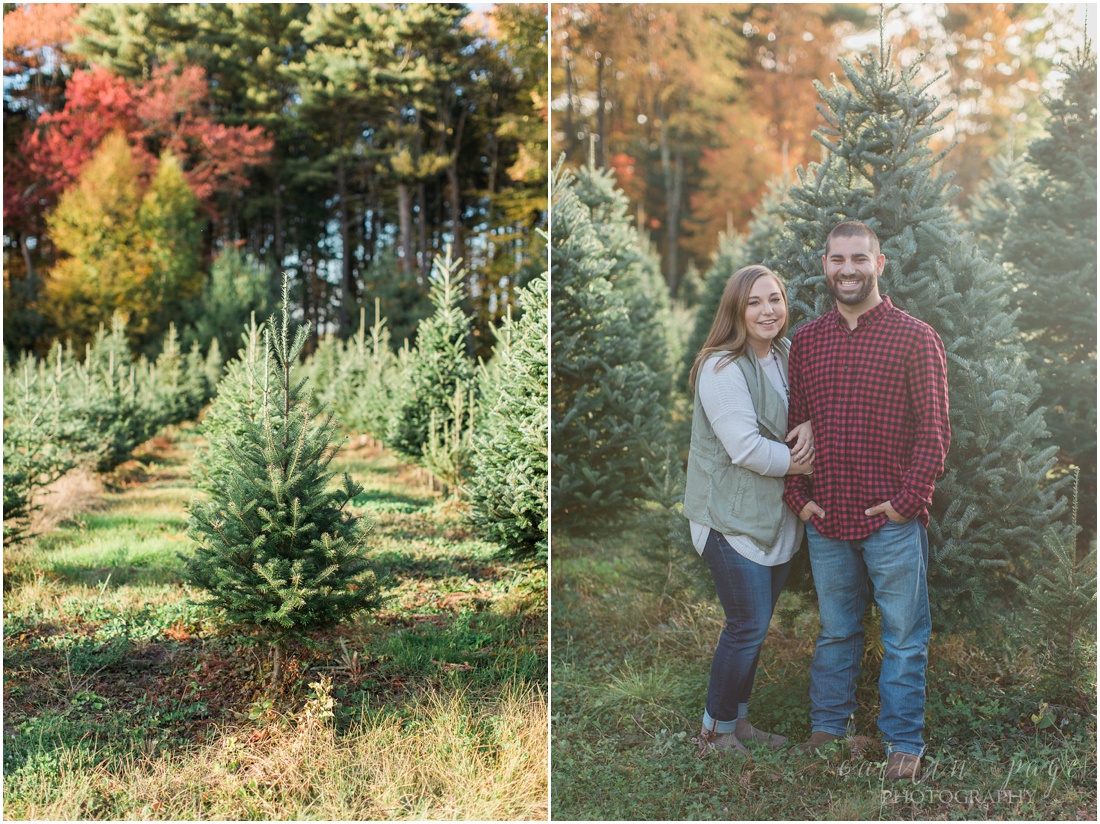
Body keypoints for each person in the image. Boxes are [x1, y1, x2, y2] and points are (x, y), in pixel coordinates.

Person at [783, 221, 951, 781]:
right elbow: (795, 426)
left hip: (892, 521)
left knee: (904, 635)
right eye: (837, 260)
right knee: (836, 631)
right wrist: (799, 498)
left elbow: (934, 432)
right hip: (826, 517)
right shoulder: (807, 340)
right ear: (825, 265)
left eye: (859, 259)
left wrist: (908, 502)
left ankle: (903, 743)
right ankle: (829, 730)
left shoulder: (915, 337)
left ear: (880, 265)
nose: (848, 269)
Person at [684, 264, 816, 755]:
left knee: (755, 629)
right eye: (755, 302)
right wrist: (809, 464)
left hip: (773, 516)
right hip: (728, 518)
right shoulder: (721, 369)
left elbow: (809, 412)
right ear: (736, 309)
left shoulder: (784, 354)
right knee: (746, 625)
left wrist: (813, 432)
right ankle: (712, 734)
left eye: (775, 299)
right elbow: (746, 449)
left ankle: (737, 723)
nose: (768, 311)